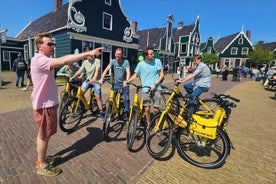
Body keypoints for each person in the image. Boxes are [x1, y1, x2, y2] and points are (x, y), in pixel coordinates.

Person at [30, 32, 103, 177]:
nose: (53, 46)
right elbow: (63, 60)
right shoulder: (40, 60)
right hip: (45, 105)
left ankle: (43, 158)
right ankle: (42, 164)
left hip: (47, 104)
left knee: (45, 134)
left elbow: (65, 62)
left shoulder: (44, 59)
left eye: (53, 43)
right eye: (49, 44)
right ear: (40, 46)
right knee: (44, 135)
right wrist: (88, 53)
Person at [127, 47, 164, 126]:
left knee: (156, 110)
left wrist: (155, 84)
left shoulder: (157, 61)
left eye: (153, 53)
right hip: (145, 90)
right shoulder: (140, 64)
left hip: (156, 88)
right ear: (146, 56)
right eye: (151, 54)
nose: (153, 55)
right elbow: (135, 75)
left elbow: (161, 75)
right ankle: (148, 125)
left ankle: (157, 125)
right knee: (147, 109)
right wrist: (128, 81)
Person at [70, 48, 105, 120]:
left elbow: (97, 70)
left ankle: (101, 112)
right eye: (89, 55)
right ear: (86, 56)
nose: (91, 56)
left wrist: (94, 79)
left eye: (91, 54)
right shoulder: (85, 62)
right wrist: (73, 77)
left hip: (96, 81)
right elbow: (80, 71)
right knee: (80, 94)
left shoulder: (97, 60)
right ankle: (83, 106)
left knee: (98, 97)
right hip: (88, 80)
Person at [99, 48, 130, 116]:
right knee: (111, 97)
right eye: (116, 54)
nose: (117, 56)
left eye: (119, 54)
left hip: (124, 83)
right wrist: (101, 78)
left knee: (126, 98)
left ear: (122, 55)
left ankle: (127, 111)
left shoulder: (126, 62)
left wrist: (127, 81)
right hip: (116, 83)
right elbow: (106, 69)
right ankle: (111, 111)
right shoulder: (113, 61)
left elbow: (128, 72)